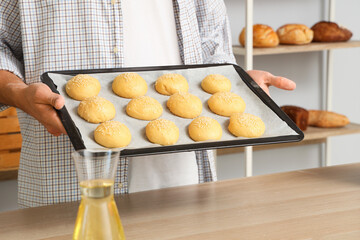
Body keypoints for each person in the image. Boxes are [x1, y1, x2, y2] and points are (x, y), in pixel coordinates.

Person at [0, 0, 296, 208]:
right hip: (74, 192)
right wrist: (16, 92)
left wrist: (241, 86)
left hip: (188, 187)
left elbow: (212, 45)